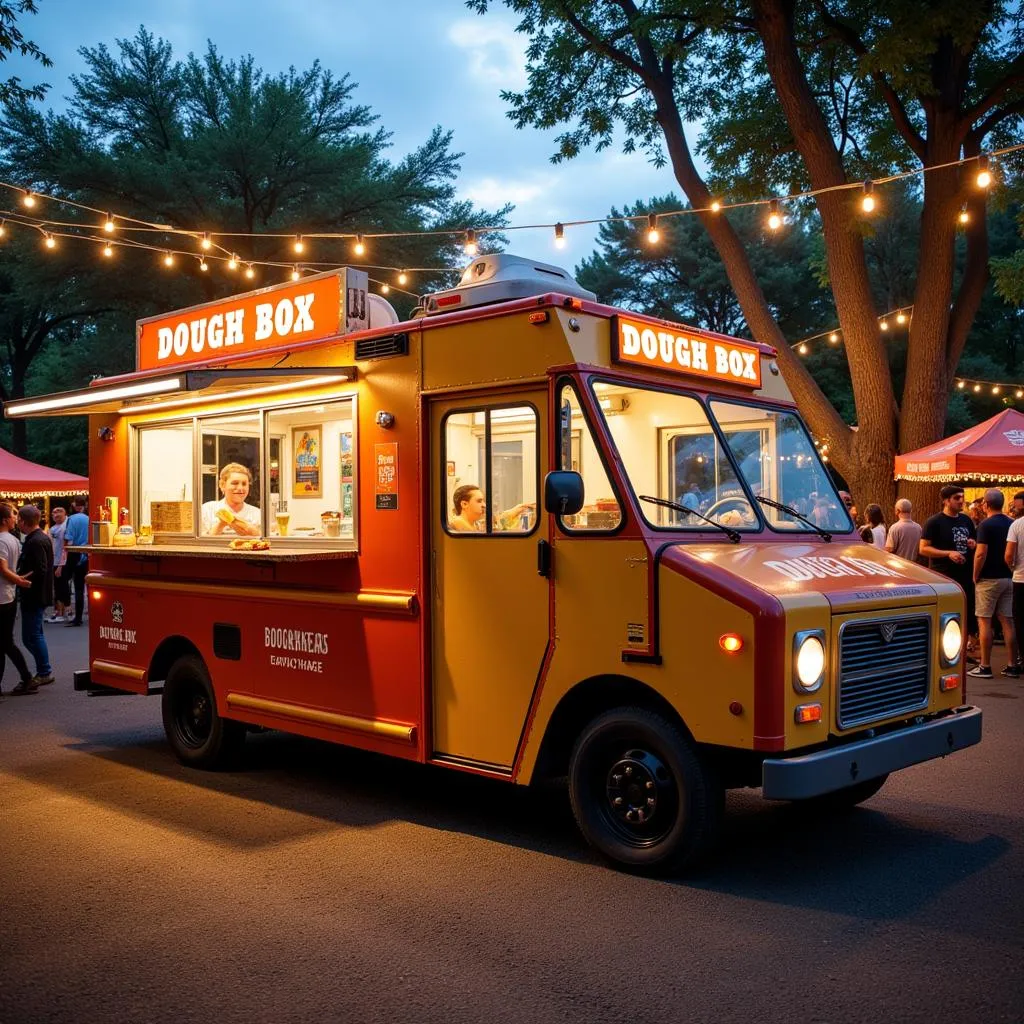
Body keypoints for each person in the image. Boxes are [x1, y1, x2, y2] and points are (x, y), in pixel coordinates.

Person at [921, 484, 978, 658]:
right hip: (943, 577)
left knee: (967, 611)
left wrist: (972, 544)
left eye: (962, 497)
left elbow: (973, 541)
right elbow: (923, 549)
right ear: (946, 501)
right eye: (957, 498)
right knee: (947, 613)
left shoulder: (966, 520)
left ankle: (966, 647)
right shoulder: (934, 522)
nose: (961, 501)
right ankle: (943, 649)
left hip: (965, 575)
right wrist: (948, 553)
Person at [969, 489, 1018, 678]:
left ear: (986, 505)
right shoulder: (1012, 523)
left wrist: (975, 574)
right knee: (1008, 621)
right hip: (1008, 577)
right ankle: (1012, 664)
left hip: (988, 578)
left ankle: (985, 665)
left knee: (984, 620)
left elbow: (981, 553)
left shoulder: (985, 525)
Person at [13, 504, 54, 693]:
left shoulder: (35, 541)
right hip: (39, 594)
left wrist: (21, 579)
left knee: (30, 636)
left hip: (34, 594)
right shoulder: (39, 538)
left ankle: (44, 671)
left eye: (18, 519)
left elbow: (41, 568)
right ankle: (44, 669)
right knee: (36, 633)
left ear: (23, 521)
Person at [0, 503, 35, 700]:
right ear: (5, 520)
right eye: (13, 516)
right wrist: (18, 580)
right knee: (4, 642)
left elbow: (3, 569)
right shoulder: (13, 540)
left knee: (5, 643)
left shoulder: (1, 541)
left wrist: (18, 580)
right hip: (9, 596)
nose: (16, 519)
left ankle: (27, 677)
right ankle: (25, 677)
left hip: (3, 597)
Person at [201, 463, 262, 536]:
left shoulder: (257, 514)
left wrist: (250, 530)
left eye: (244, 484)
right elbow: (201, 543)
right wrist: (221, 524)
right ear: (222, 485)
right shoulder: (207, 510)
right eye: (235, 483)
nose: (240, 488)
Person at [1003, 500, 1024, 673]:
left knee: (1020, 621)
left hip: (1021, 579)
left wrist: (1013, 567)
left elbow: (1009, 554)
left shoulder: (1017, 525)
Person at [63, 497, 90, 626]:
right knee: (88, 586)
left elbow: (69, 539)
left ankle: (77, 617)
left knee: (77, 586)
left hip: (75, 554)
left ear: (74, 505)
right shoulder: (89, 519)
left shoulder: (72, 519)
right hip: (88, 554)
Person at [46, 505, 69, 623]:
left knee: (61, 586)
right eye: (54, 512)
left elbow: (66, 547)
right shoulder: (53, 528)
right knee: (57, 586)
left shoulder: (66, 527)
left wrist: (61, 565)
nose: (56, 514)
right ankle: (60, 611)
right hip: (54, 561)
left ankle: (61, 613)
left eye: (59, 511)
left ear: (65, 514)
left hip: (62, 561)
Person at [885, 498, 923, 563]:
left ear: (897, 511)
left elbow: (889, 549)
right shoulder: (918, 527)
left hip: (897, 565)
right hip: (914, 565)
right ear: (911, 510)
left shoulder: (895, 528)